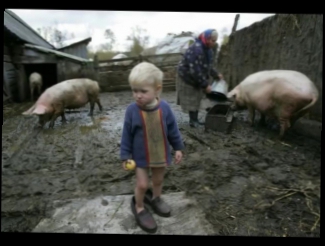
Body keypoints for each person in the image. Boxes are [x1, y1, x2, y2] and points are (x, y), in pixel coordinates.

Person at [120, 61, 185, 233]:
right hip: (140, 157)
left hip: (160, 154)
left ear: (157, 89)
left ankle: (156, 198)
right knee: (142, 185)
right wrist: (126, 155)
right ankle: (140, 207)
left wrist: (178, 148)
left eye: (143, 91)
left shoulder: (165, 108)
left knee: (158, 180)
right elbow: (126, 134)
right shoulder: (132, 111)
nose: (138, 95)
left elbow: (173, 130)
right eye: (135, 91)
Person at [177, 29, 223, 128]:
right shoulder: (196, 49)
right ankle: (193, 121)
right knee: (192, 97)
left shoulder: (208, 50)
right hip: (187, 75)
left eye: (215, 41)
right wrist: (205, 84)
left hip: (195, 74)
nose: (214, 43)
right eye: (213, 40)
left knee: (197, 97)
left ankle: (195, 120)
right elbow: (195, 70)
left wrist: (216, 74)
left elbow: (208, 66)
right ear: (207, 38)